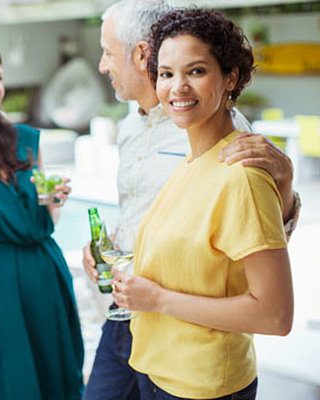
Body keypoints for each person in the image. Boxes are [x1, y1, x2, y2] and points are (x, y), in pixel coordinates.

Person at [82, 1, 300, 399]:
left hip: (199, 374)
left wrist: (283, 184)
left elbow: (273, 310)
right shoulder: (185, 153)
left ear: (230, 77)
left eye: (196, 71)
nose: (177, 87)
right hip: (152, 350)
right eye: (166, 74)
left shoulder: (237, 160)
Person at [0, 40, 83, 400]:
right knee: (14, 382)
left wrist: (53, 200)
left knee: (60, 372)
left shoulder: (25, 140)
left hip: (47, 270)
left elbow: (44, 220)